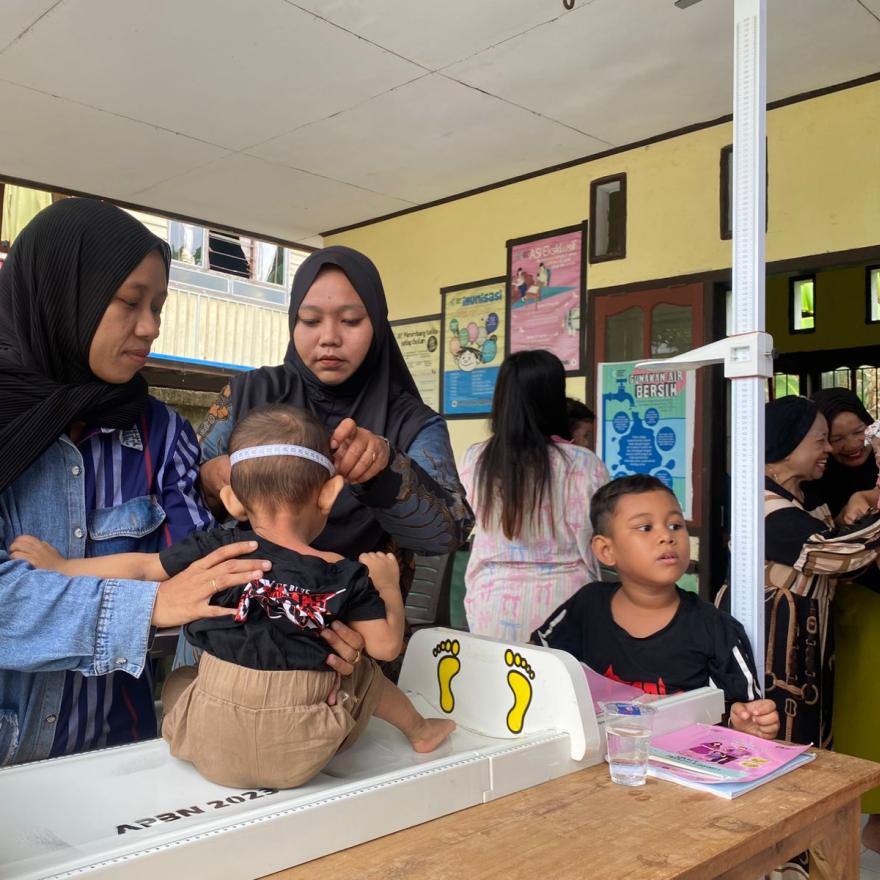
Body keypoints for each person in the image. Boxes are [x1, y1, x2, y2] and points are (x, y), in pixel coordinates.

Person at [13, 405, 455, 788]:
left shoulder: (216, 549)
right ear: (329, 494)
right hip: (304, 751)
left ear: (233, 501)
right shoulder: (343, 572)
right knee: (365, 673)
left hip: (208, 741)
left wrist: (64, 567)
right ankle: (420, 731)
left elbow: (143, 568)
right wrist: (387, 585)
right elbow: (385, 647)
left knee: (185, 675)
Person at [0, 198, 278, 766]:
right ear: (63, 295)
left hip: (121, 756)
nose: (149, 326)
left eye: (158, 306)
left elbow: (205, 578)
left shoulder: (161, 433)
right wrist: (147, 602)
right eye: (129, 302)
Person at [197, 246, 473, 615]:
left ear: (377, 324)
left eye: (351, 321)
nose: (329, 337)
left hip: (356, 626)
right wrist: (213, 478)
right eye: (311, 320)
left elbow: (446, 536)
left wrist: (384, 471)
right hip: (241, 619)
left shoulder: (412, 422)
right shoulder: (247, 394)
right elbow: (179, 500)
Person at [532, 475, 779, 738]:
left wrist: (745, 724)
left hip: (683, 759)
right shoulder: (587, 606)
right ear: (606, 550)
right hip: (600, 757)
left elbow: (743, 713)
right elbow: (537, 662)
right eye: (645, 527)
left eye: (675, 525)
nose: (666, 536)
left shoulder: (716, 628)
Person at [460, 350, 609, 643]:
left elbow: (468, 518)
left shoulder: (476, 459)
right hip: (567, 604)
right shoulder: (582, 462)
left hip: (490, 603)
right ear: (554, 397)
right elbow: (594, 535)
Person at [805, 389, 880, 853]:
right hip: (858, 605)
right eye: (837, 438)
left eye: (859, 431)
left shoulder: (875, 469)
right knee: (864, 705)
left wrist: (868, 493)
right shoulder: (818, 482)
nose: (853, 444)